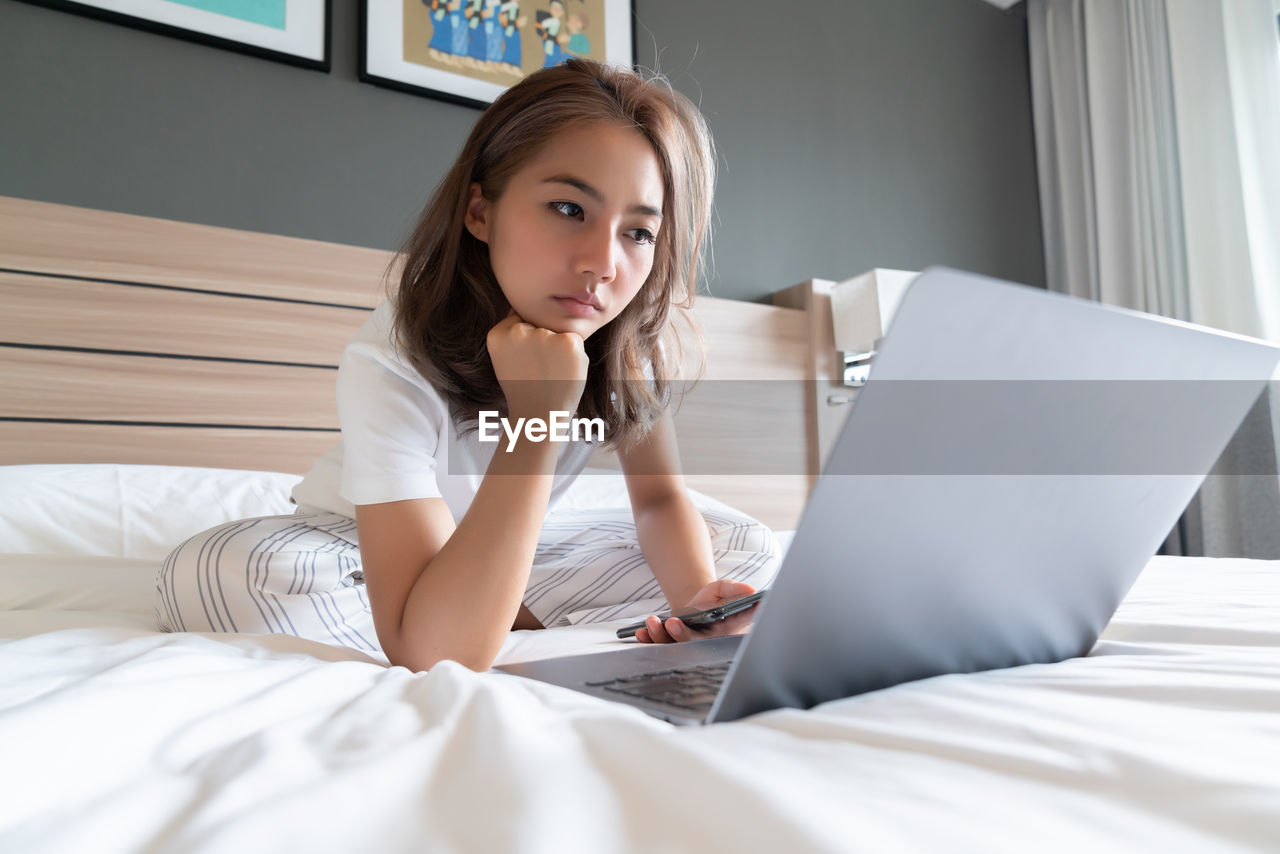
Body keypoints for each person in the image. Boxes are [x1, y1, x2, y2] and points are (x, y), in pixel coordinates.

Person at [155, 59, 780, 672]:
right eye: (568, 209)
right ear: (480, 212)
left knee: (745, 546)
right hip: (357, 544)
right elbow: (437, 660)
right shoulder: (396, 352)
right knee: (214, 575)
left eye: (638, 233)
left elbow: (659, 503)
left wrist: (696, 603)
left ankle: (478, 599)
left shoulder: (626, 351)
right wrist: (538, 416)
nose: (603, 262)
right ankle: (465, 604)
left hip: (513, 540)